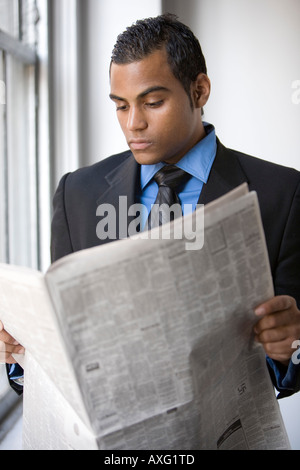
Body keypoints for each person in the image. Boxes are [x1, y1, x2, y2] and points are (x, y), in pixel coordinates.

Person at [1, 14, 300, 398]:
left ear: (200, 91)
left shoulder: (282, 193)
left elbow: (290, 356)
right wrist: (21, 353)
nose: (133, 124)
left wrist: (291, 346)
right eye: (121, 106)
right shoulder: (76, 194)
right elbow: (65, 348)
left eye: (153, 102)